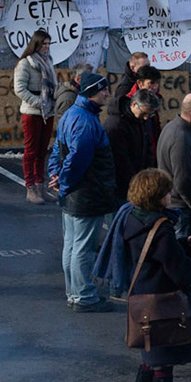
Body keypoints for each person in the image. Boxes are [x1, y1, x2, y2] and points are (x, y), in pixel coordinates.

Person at [114, 168, 191, 382]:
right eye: (167, 191)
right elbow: (178, 271)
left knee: (148, 362)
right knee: (163, 367)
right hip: (161, 303)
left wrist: (182, 245)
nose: (170, 195)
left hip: (141, 298)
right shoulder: (161, 227)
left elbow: (154, 253)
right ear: (157, 196)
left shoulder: (131, 218)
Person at [48, 71, 120, 313]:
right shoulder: (86, 121)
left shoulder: (71, 114)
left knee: (71, 244)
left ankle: (74, 292)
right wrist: (64, 182)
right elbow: (78, 159)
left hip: (74, 194)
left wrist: (55, 176)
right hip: (86, 193)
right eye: (103, 89)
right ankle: (84, 296)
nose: (107, 93)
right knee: (83, 247)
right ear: (91, 92)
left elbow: (59, 149)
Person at [154, 93, 191, 240]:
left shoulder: (173, 128)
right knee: (182, 254)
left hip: (177, 205)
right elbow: (182, 181)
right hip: (181, 210)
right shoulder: (182, 138)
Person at [14, 30, 58, 202]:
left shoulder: (48, 61)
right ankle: (30, 187)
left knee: (42, 150)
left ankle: (40, 185)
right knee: (31, 150)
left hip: (48, 110)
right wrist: (39, 102)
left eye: (48, 44)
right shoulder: (25, 63)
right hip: (33, 111)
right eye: (43, 44)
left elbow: (52, 84)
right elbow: (19, 89)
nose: (46, 47)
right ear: (36, 44)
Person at [105, 88, 162, 199]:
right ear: (134, 104)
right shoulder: (116, 126)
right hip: (122, 187)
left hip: (136, 182)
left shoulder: (139, 120)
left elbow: (148, 147)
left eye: (149, 115)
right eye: (144, 113)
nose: (146, 118)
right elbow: (121, 162)